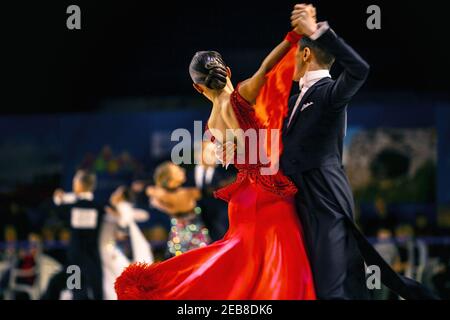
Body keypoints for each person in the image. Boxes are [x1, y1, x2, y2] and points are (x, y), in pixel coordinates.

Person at [114, 5, 317, 300]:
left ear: (198, 87)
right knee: (279, 269)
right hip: (269, 195)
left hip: (243, 201)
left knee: (245, 267)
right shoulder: (242, 96)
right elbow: (267, 68)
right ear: (229, 72)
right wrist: (294, 36)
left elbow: (233, 153)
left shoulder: (211, 122)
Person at [281, 5, 437, 299]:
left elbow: (359, 69)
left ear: (305, 54)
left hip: (324, 201)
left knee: (331, 290)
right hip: (296, 202)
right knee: (315, 287)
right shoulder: (291, 102)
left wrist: (317, 32)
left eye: (292, 53)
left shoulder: (329, 93)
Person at [42, 170, 104, 300]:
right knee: (97, 293)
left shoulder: (70, 207)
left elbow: (56, 209)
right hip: (93, 262)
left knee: (76, 293)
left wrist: (58, 200)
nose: (73, 185)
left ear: (80, 185)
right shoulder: (99, 208)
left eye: (75, 182)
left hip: (75, 262)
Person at [147, 161, 211, 257]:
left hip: (183, 237)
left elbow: (151, 191)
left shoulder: (159, 194)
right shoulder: (186, 194)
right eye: (178, 171)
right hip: (191, 240)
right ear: (169, 180)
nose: (182, 171)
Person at [101, 186, 154, 300]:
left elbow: (124, 222)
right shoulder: (115, 208)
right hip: (108, 247)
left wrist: (119, 219)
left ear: (121, 197)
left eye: (117, 192)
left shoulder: (122, 206)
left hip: (111, 248)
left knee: (119, 274)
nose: (114, 194)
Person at [184, 141, 234, 241]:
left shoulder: (227, 175)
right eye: (210, 152)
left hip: (220, 229)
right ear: (199, 154)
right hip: (192, 232)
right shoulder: (184, 175)